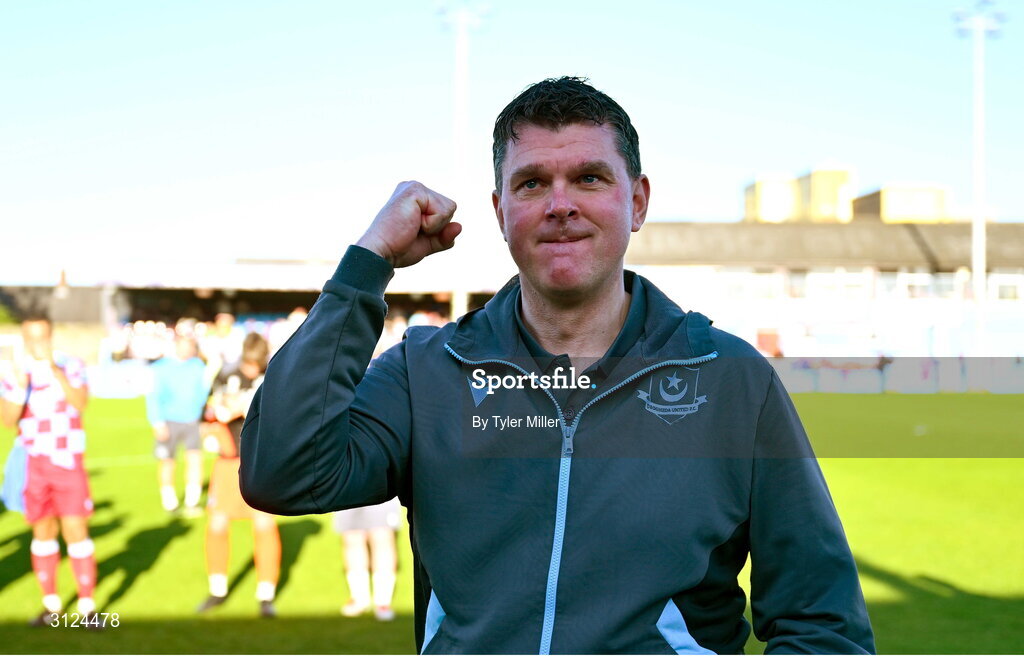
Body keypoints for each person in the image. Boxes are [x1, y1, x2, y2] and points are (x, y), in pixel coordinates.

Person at [239, 77, 875, 653]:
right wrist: (367, 262)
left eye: (591, 178)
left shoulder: (731, 379)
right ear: (500, 213)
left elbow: (822, 620)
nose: (560, 204)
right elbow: (282, 474)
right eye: (532, 182)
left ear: (638, 201)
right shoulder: (425, 373)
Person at [0, 316, 100, 626]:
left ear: (51, 335)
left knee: (76, 531)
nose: (37, 344)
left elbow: (80, 402)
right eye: (31, 338)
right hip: (34, 462)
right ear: (23, 338)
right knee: (42, 532)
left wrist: (54, 371)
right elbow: (8, 420)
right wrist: (19, 387)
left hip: (67, 460)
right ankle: (52, 605)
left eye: (42, 337)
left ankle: (87, 607)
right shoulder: (12, 370)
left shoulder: (70, 364)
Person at [198, 332, 281, 618]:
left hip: (260, 461)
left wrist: (245, 410)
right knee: (218, 524)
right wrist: (215, 424)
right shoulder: (225, 375)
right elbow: (206, 414)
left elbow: (282, 419)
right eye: (248, 363)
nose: (251, 369)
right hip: (227, 462)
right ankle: (217, 589)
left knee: (264, 526)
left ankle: (266, 595)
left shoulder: (274, 376)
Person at [146, 333, 209, 514]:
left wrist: (203, 419)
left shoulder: (198, 366)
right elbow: (153, 396)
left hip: (193, 420)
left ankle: (192, 500)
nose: (187, 349)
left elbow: (203, 393)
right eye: (184, 345)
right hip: (169, 420)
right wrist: (157, 422)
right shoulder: (160, 367)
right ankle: (169, 500)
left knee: (195, 458)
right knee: (167, 461)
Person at [334, 497, 401, 621]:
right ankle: (359, 598)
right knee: (352, 538)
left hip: (382, 485)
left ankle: (383, 602)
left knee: (382, 536)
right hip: (348, 487)